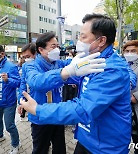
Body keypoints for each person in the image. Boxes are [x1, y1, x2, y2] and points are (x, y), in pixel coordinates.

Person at [21, 14, 132, 154]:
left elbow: (83, 109)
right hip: (87, 136)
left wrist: (39, 110)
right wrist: (67, 72)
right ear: (40, 50)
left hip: (105, 145)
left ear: (101, 40)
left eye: (83, 37)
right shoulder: (92, 61)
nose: (79, 41)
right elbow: (38, 81)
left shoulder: (110, 68)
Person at [20, 31, 106, 154]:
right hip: (39, 116)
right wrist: (64, 73)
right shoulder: (31, 66)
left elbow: (78, 67)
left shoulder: (59, 63)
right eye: (53, 46)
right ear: (41, 49)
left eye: (58, 46)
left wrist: (86, 54)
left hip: (57, 113)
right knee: (40, 149)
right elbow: (37, 82)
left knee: (60, 148)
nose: (57, 49)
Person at [0, 44, 21, 154]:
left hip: (8, 102)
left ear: (2, 54)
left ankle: (16, 144)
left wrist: (8, 80)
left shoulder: (11, 66)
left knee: (9, 125)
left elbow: (18, 83)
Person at [18, 43, 36, 121]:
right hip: (30, 98)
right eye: (24, 57)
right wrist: (21, 100)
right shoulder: (25, 66)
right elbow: (23, 83)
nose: (26, 59)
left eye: (28, 57)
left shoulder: (42, 65)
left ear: (35, 53)